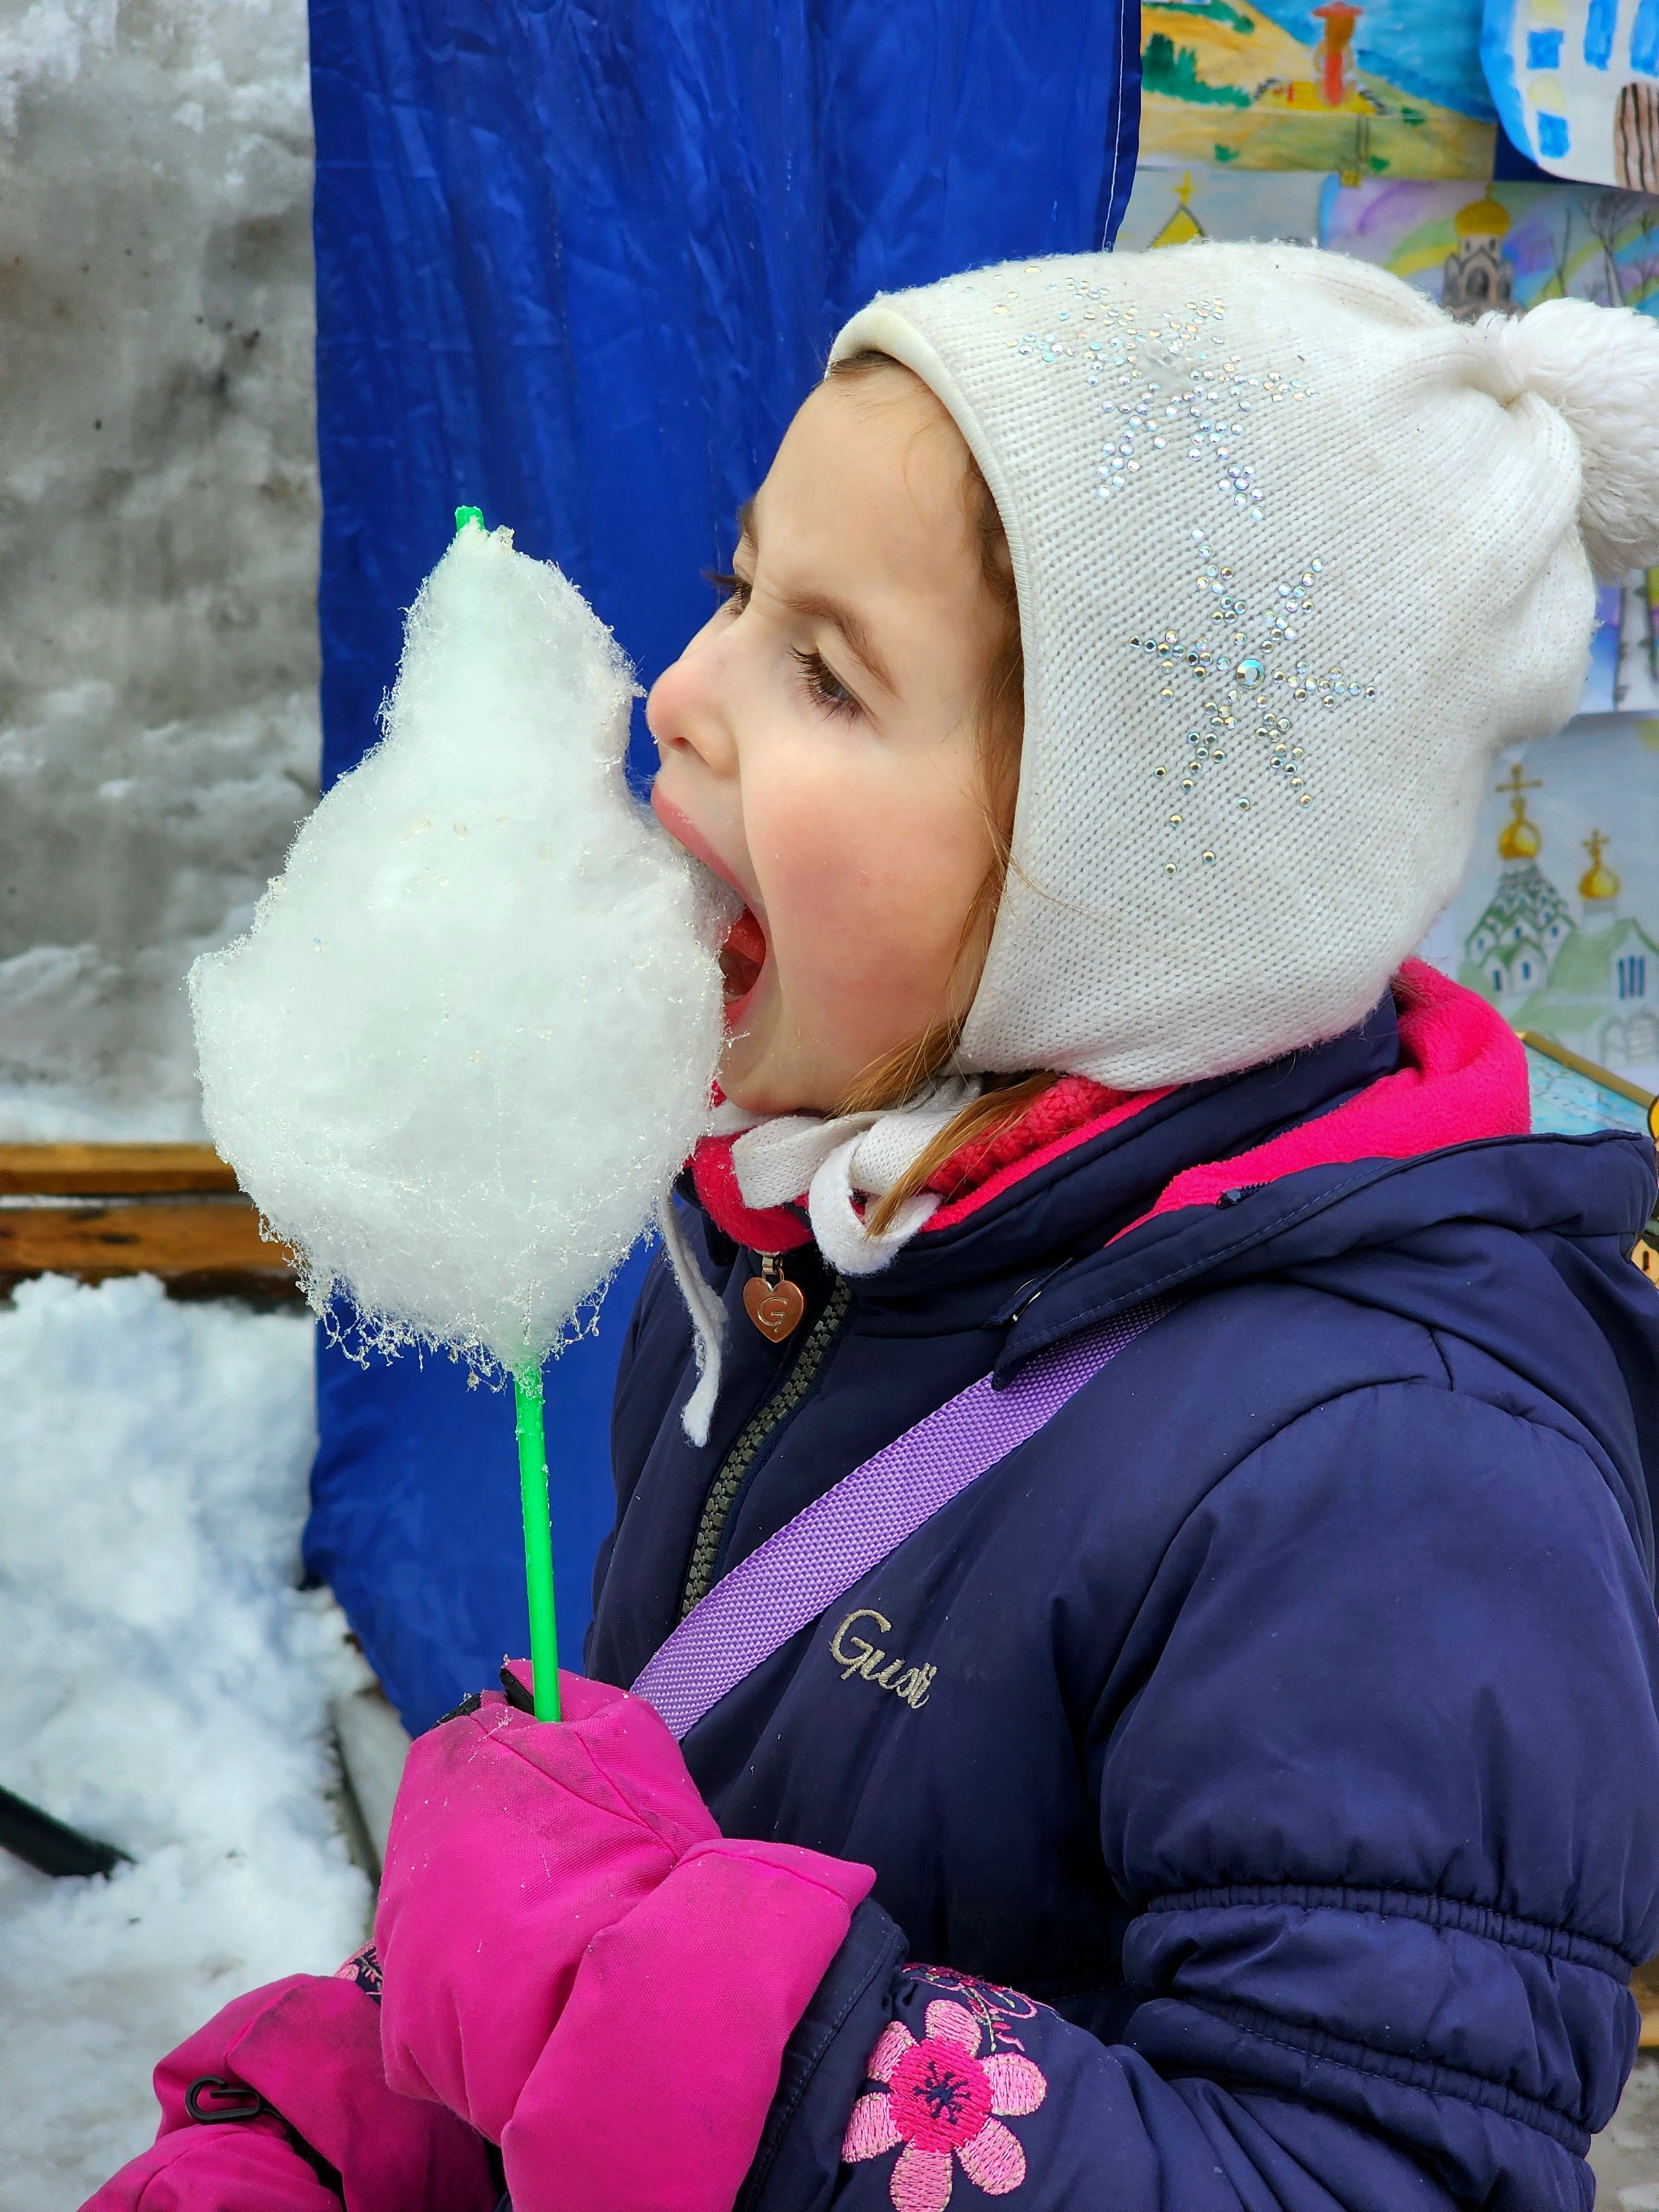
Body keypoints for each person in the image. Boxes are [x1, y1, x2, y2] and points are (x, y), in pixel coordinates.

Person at [87, 242, 1659, 2212]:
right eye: (744, 589)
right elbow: (673, 1874)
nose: (682, 690)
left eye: (826, 667)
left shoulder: (1396, 1481)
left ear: (1129, 883)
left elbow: (1357, 2178)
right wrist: (357, 2125)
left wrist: (638, 2004)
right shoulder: (789, 1265)